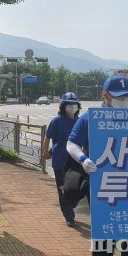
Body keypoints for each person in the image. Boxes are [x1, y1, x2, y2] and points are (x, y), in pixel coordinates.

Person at [66, 76, 128, 256]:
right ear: (105, 95)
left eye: (127, 96)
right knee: (105, 237)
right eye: (118, 96)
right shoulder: (90, 118)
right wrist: (83, 159)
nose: (123, 100)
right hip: (103, 186)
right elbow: (71, 143)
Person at [41, 92, 81, 227]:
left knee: (76, 188)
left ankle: (72, 204)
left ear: (78, 106)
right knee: (63, 189)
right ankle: (69, 215)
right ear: (63, 106)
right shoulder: (57, 121)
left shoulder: (79, 121)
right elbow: (47, 137)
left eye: (74, 104)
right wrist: (46, 151)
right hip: (59, 160)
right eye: (68, 104)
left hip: (76, 160)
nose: (71, 107)